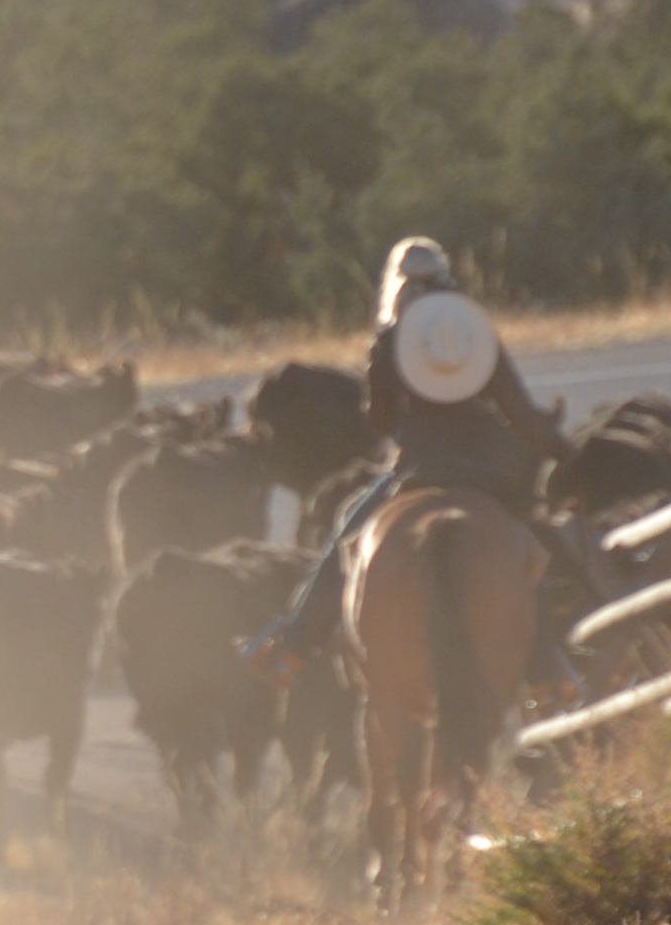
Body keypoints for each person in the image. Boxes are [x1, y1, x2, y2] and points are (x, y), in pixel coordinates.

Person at [240, 237, 573, 686]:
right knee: (530, 556)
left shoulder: (389, 342)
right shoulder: (474, 332)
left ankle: (294, 649)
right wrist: (563, 450)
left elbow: (378, 421)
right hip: (485, 475)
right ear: (445, 280)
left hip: (416, 473)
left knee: (347, 534)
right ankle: (548, 669)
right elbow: (520, 411)